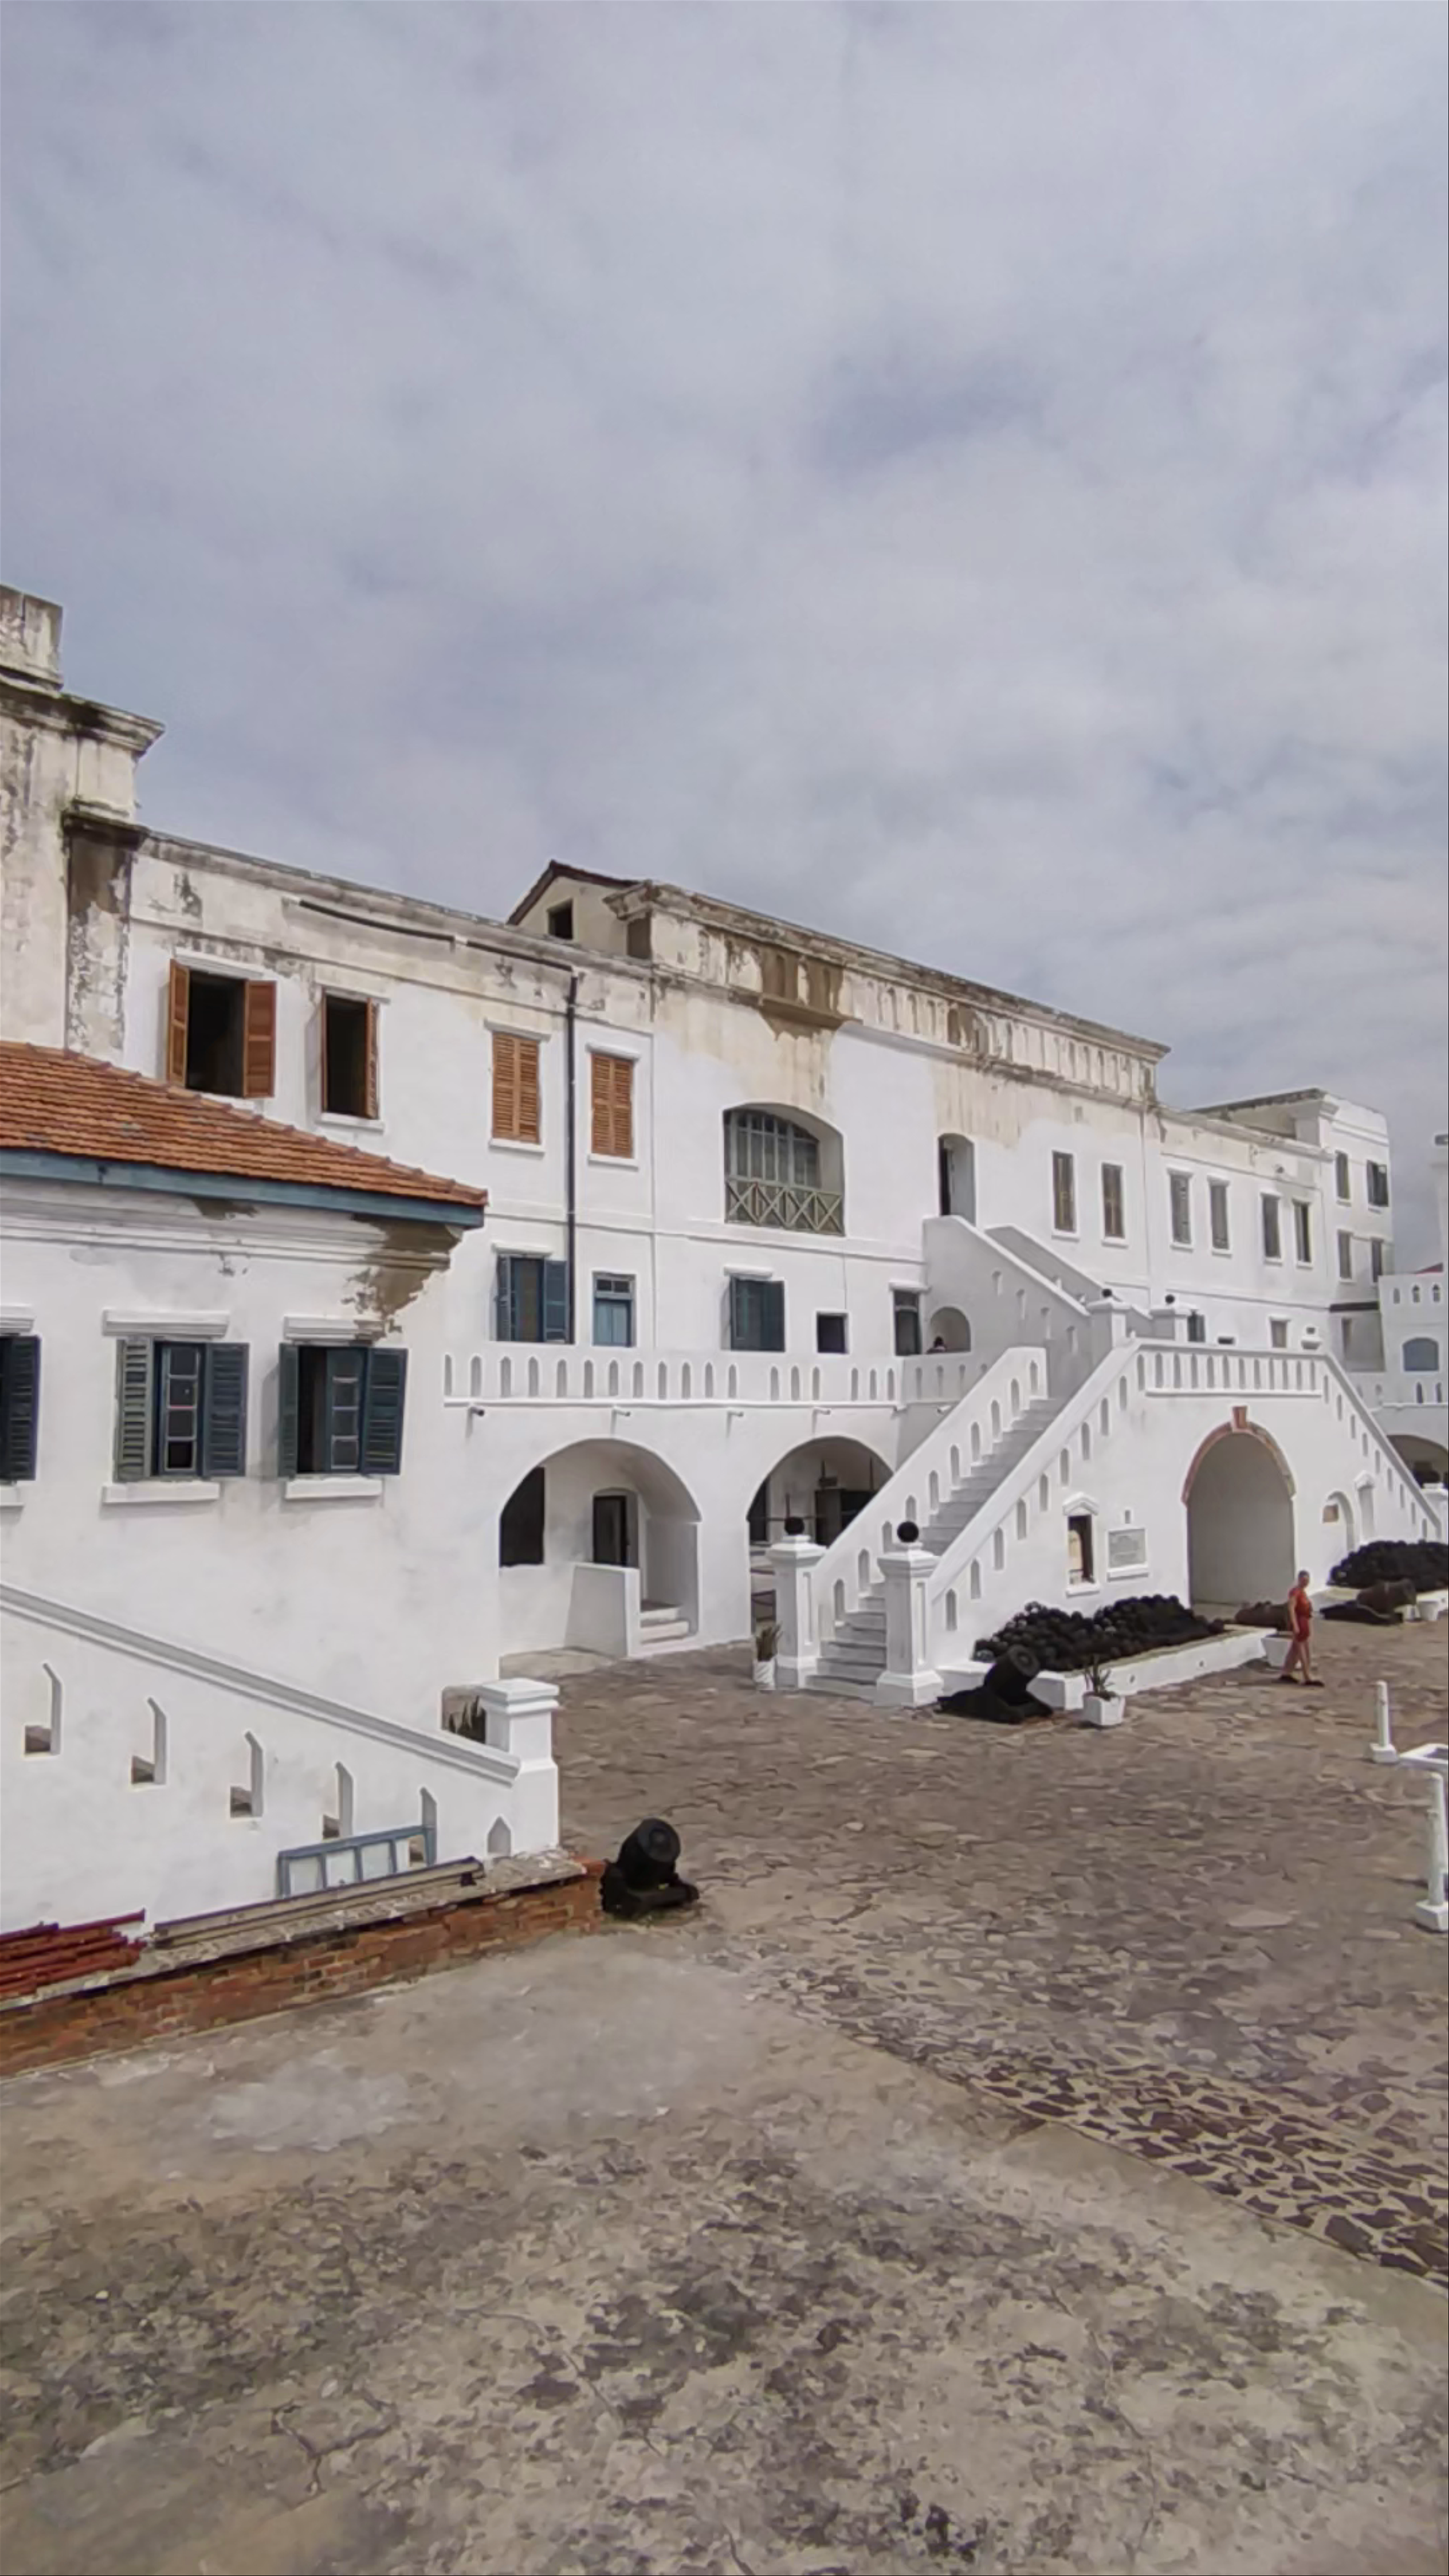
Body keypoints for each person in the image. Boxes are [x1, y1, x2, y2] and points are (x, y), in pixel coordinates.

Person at [1280, 1570, 1322, 1687]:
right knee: (1303, 1651)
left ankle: (1286, 1673)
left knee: (1295, 1651)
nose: (1306, 1583)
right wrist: (1295, 1625)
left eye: (1307, 1581)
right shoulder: (1296, 1592)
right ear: (1299, 1580)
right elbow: (1291, 1609)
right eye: (1304, 1580)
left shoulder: (1303, 1593)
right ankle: (1307, 1676)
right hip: (1299, 1622)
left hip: (1304, 1622)